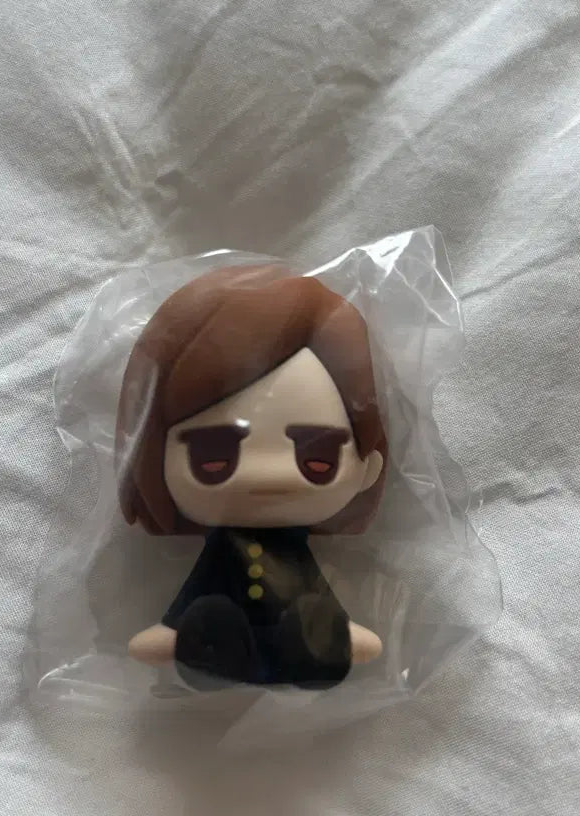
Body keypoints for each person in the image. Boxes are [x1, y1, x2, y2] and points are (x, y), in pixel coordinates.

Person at [115, 265, 387, 689]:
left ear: (368, 467)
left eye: (317, 459)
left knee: (306, 616)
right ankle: (215, 650)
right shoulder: (227, 546)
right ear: (149, 456)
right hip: (222, 646)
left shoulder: (291, 547)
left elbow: (312, 590)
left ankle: (304, 649)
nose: (267, 472)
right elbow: (199, 587)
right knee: (214, 618)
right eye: (213, 458)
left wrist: (342, 631)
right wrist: (174, 632)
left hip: (292, 641)